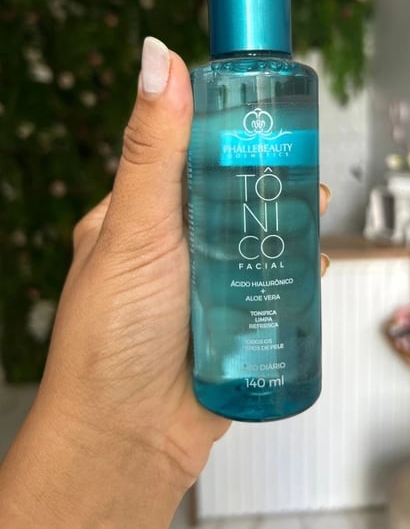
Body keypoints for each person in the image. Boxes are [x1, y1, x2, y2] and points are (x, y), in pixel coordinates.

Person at [0, 37, 331, 527]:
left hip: (265, 372)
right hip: (205, 379)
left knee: (283, 228)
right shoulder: (213, 83)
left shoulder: (296, 82)